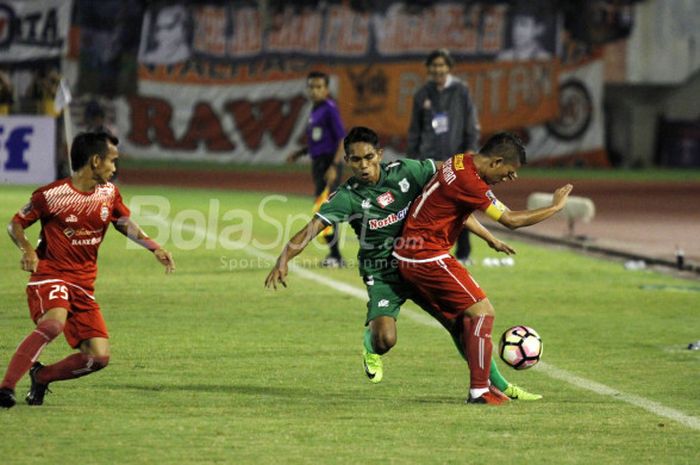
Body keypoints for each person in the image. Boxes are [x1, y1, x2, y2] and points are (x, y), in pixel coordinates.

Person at [266, 126, 541, 401]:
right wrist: (284, 258)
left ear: (380, 154)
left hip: (421, 263)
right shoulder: (347, 197)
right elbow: (313, 227)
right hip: (383, 272)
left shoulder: (407, 172)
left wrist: (491, 214)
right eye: (356, 159)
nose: (364, 165)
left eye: (369, 157)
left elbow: (454, 184)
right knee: (386, 340)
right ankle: (371, 344)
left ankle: (499, 386)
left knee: (462, 325)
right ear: (347, 161)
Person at [393, 132, 572, 405]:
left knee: (464, 323)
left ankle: (489, 385)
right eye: (509, 172)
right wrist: (555, 207)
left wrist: (489, 238)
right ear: (497, 161)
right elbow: (511, 219)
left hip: (413, 251)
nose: (510, 179)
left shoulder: (460, 161)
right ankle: (479, 391)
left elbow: (456, 211)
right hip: (425, 255)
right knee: (482, 310)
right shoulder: (471, 182)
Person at [0, 131, 175, 409]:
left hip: (83, 285)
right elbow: (15, 224)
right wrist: (28, 251)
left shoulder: (108, 194)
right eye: (112, 161)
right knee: (53, 324)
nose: (115, 168)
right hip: (51, 275)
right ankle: (6, 388)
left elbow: (123, 222)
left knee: (98, 357)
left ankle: (42, 376)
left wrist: (153, 246)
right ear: (95, 160)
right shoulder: (51, 195)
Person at [407, 49, 480, 265]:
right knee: (428, 204)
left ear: (449, 67)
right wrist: (412, 160)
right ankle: (426, 250)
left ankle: (464, 252)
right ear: (429, 68)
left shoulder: (461, 91)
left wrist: (470, 150)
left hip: (456, 158)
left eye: (442, 65)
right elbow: (414, 129)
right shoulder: (422, 94)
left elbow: (471, 123)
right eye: (434, 65)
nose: (438, 69)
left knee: (461, 204)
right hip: (429, 159)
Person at [287, 71, 346, 267]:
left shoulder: (329, 109)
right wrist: (301, 152)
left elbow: (341, 140)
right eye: (311, 86)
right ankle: (334, 254)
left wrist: (334, 166)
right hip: (319, 163)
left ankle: (336, 255)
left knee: (326, 208)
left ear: (326, 89)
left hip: (328, 163)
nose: (314, 90)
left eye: (319, 87)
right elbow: (318, 139)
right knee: (324, 208)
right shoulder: (316, 108)